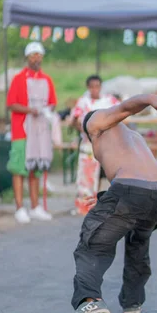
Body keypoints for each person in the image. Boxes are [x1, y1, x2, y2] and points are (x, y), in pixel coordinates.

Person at [56, 93, 157, 313]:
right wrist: (105, 196)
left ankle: (89, 302)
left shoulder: (94, 122)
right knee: (138, 241)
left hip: (133, 192)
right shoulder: (132, 136)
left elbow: (124, 107)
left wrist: (150, 98)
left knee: (93, 241)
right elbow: (138, 175)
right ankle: (133, 303)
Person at [6, 42, 57, 224]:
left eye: (39, 54)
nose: (36, 58)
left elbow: (52, 102)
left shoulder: (47, 79)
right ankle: (20, 208)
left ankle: (35, 206)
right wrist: (30, 110)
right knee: (19, 170)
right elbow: (11, 104)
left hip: (39, 132)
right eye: (33, 55)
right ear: (27, 57)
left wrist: (47, 111)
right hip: (21, 130)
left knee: (34, 170)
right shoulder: (18, 79)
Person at [69, 75, 119, 215]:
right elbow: (74, 120)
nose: (95, 89)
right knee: (87, 176)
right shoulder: (83, 102)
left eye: (97, 86)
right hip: (89, 144)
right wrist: (82, 128)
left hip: (107, 144)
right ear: (88, 88)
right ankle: (86, 205)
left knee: (112, 175)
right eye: (92, 87)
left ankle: (112, 204)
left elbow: (120, 116)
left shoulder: (109, 101)